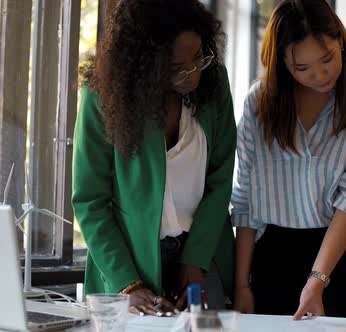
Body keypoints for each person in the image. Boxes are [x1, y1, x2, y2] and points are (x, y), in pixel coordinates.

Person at [231, 0, 346, 320]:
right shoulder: (258, 105)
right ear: (281, 63)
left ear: (341, 43)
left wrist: (317, 281)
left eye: (327, 59)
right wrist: (241, 285)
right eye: (301, 68)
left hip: (343, 251)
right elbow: (245, 199)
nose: (319, 75)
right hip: (272, 253)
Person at [72, 0, 236, 316]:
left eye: (198, 57)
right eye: (176, 67)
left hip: (204, 250)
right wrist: (129, 285)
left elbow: (221, 179)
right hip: (129, 260)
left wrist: (195, 260)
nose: (193, 74)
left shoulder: (214, 84)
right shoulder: (102, 97)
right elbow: (90, 201)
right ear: (144, 63)